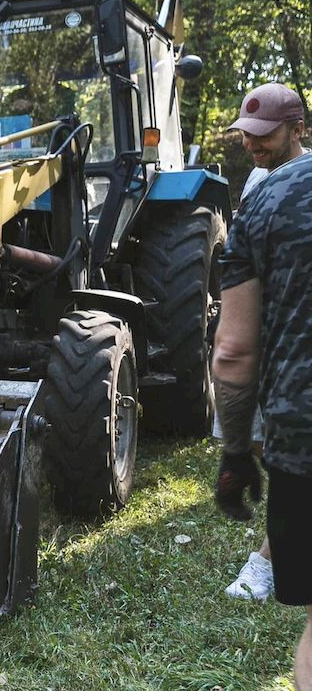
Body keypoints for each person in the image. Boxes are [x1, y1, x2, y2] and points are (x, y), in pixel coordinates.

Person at [213, 82, 311, 688]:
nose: (252, 144)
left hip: (301, 430)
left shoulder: (260, 209)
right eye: (245, 136)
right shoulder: (253, 193)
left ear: (298, 127)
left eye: (264, 134)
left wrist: (233, 450)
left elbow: (232, 350)